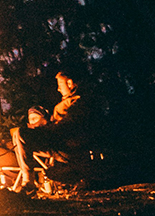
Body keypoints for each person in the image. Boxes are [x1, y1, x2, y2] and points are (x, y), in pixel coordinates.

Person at [10, 67, 96, 195]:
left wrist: (43, 127)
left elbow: (67, 126)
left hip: (66, 148)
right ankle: (27, 179)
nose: (58, 89)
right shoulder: (66, 103)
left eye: (60, 85)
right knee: (18, 136)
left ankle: (29, 181)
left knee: (22, 133)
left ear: (70, 83)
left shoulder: (77, 103)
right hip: (56, 144)